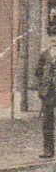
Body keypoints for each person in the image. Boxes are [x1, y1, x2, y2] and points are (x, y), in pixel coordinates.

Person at [37, 15, 56, 160]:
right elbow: (38, 72)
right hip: (49, 91)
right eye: (52, 35)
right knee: (48, 121)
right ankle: (48, 149)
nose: (53, 38)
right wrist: (42, 88)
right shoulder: (45, 53)